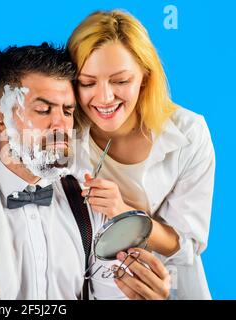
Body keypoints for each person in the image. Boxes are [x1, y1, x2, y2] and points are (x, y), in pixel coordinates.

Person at [0, 43, 170, 300]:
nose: (62, 124)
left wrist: (141, 293)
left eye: (68, 111)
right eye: (43, 110)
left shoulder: (88, 201)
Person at [67, 10, 215, 299]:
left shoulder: (189, 134)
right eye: (88, 83)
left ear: (145, 77)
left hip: (165, 289)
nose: (105, 97)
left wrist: (124, 213)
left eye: (120, 81)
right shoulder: (62, 132)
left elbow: (185, 245)